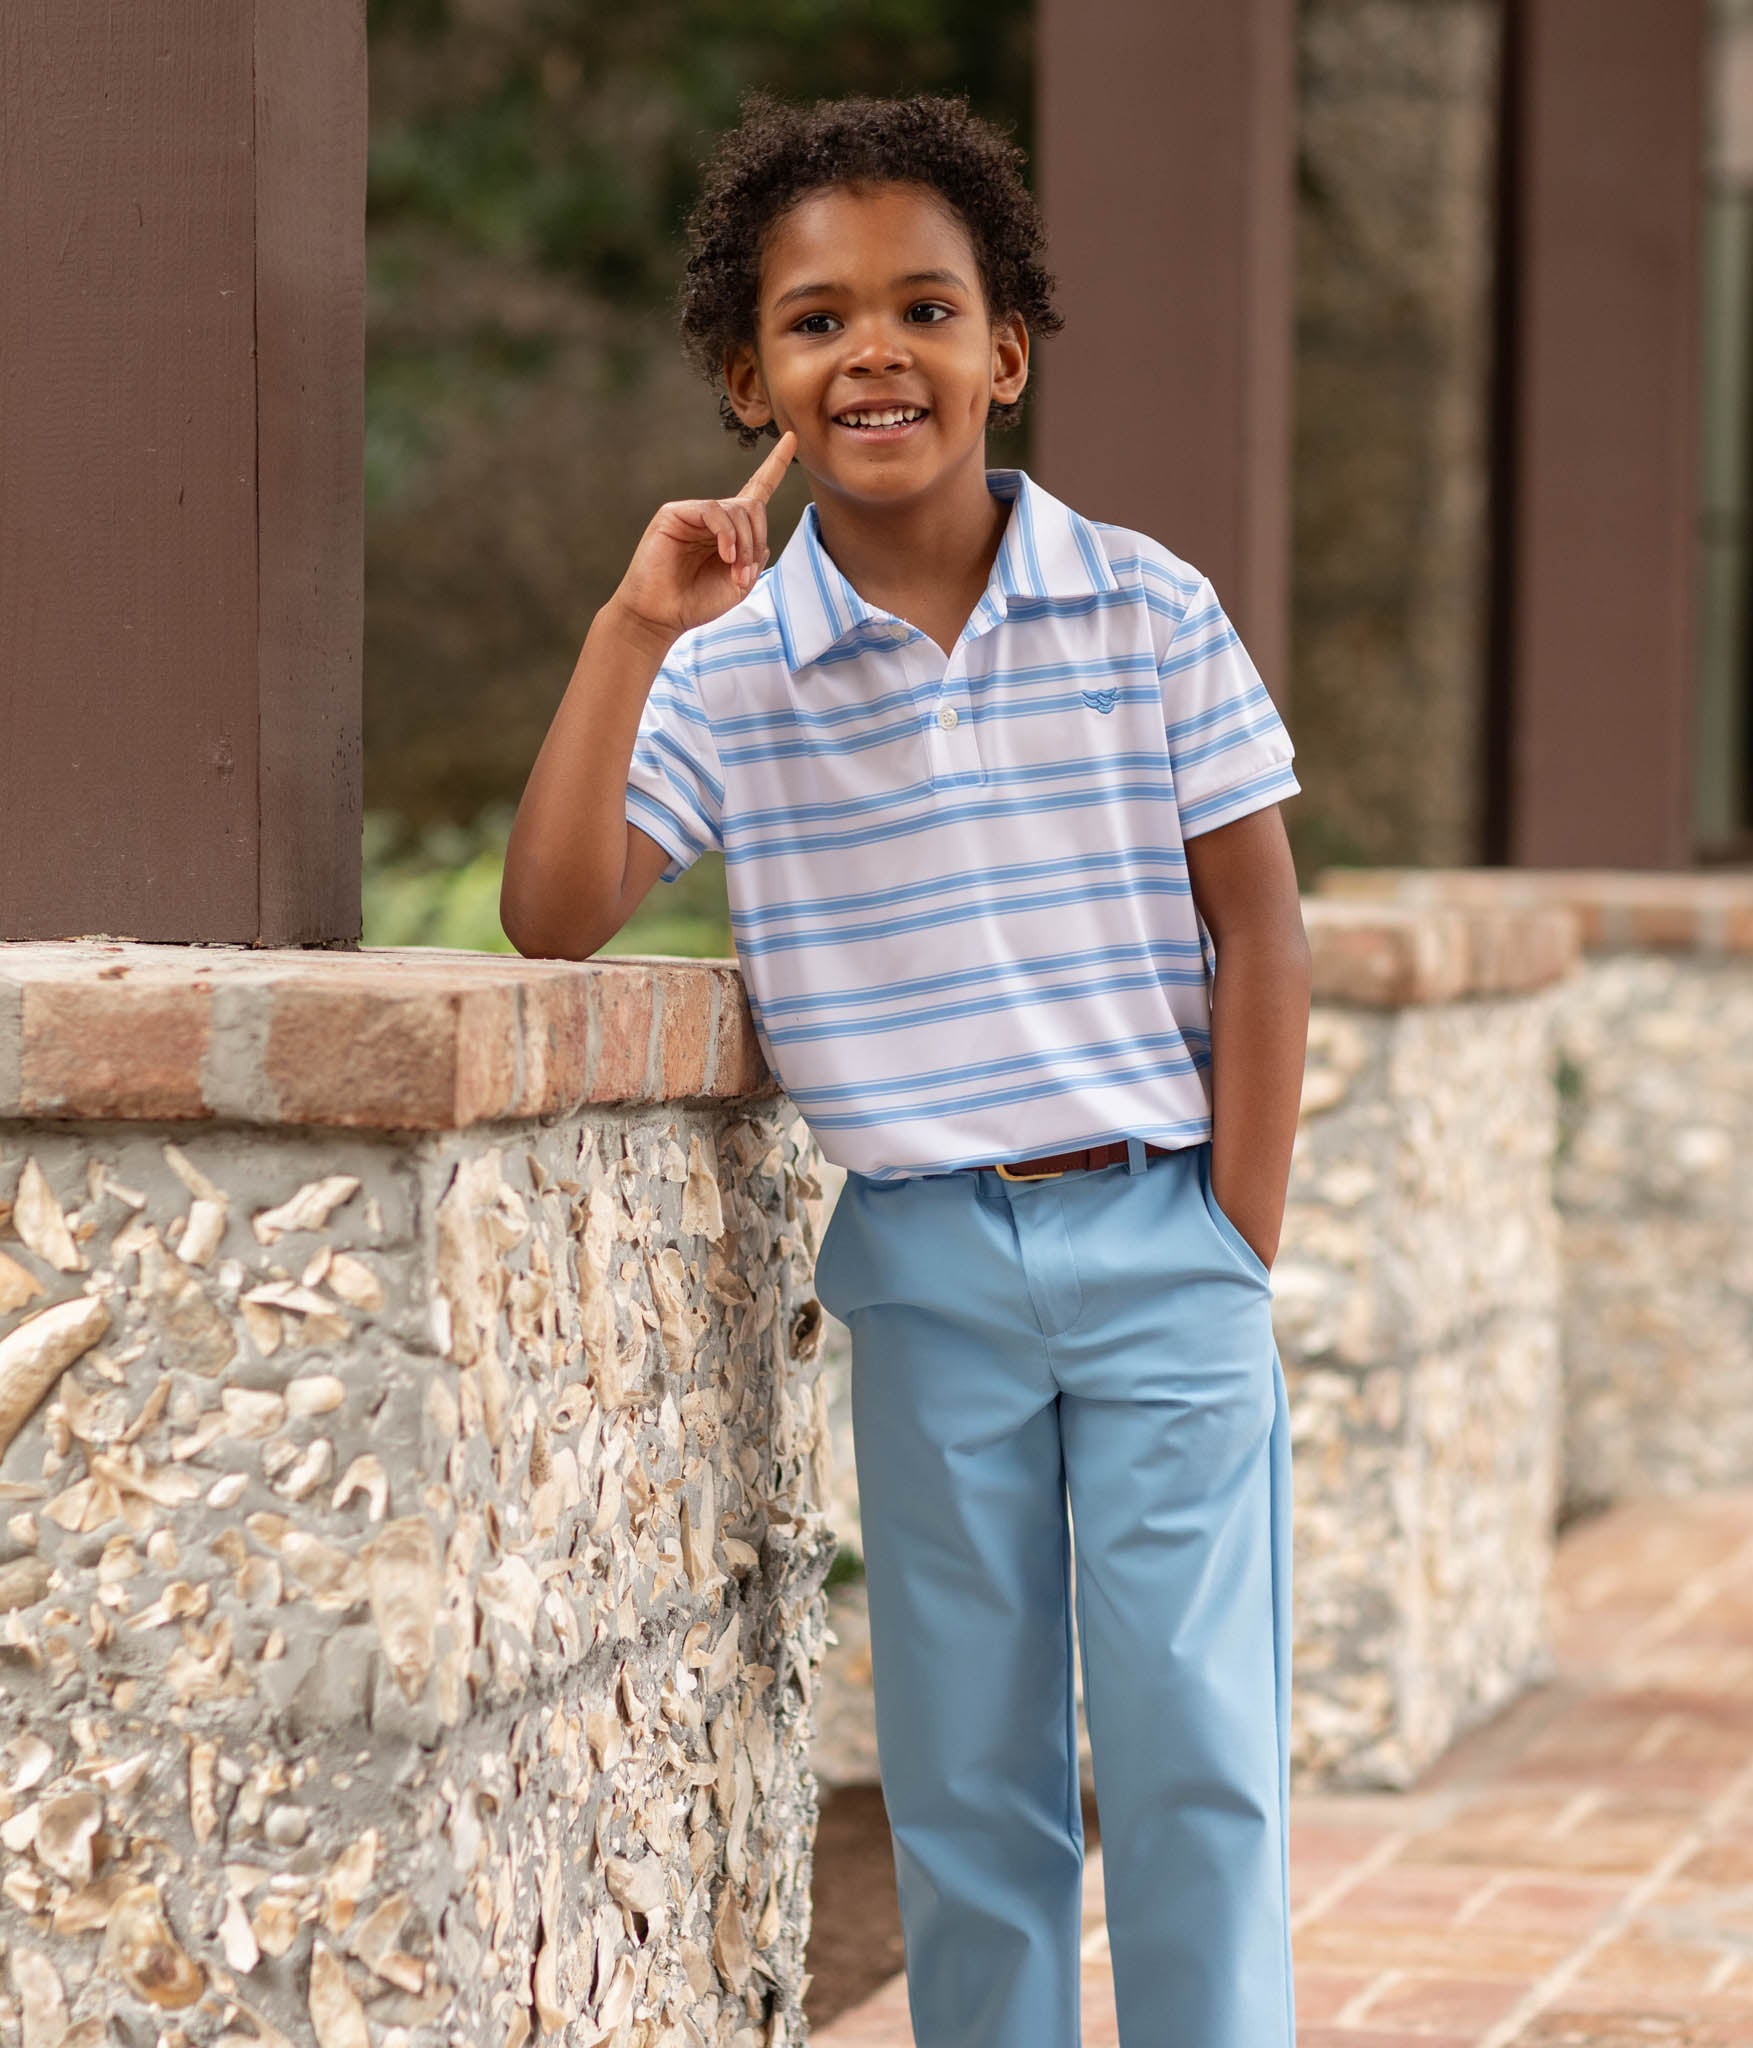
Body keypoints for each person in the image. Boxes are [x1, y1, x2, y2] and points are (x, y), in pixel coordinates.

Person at [501, 90, 1311, 2048]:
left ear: (1003, 352)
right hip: (929, 1271)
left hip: (1159, 1243)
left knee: (1198, 1753)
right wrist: (632, 624)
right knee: (967, 1778)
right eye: (816, 321)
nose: (875, 350)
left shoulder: (1145, 608)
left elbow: (1262, 931)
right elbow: (555, 911)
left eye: (927, 310)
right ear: (747, 378)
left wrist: (1233, 1236)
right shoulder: (727, 669)